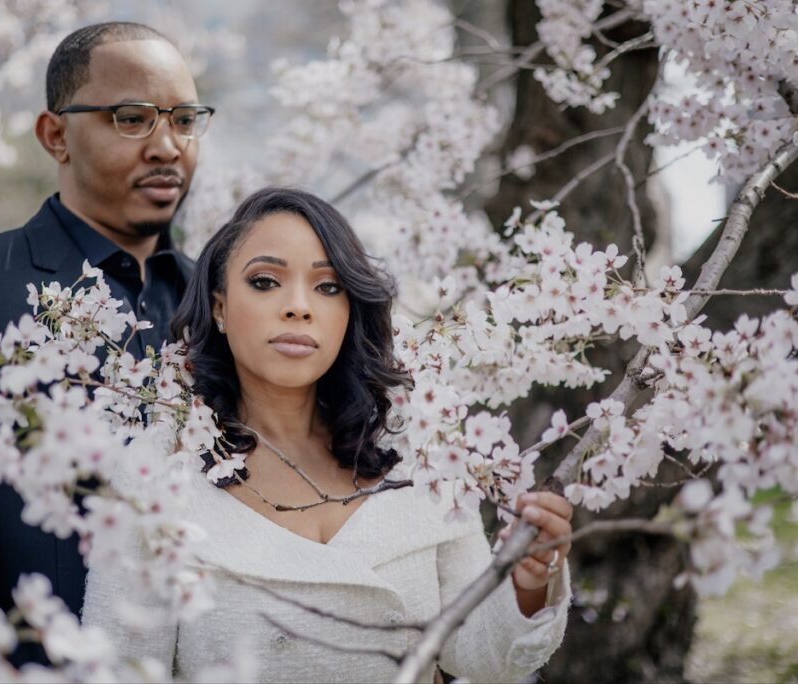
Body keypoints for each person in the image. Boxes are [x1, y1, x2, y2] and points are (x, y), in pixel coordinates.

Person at [83, 187, 573, 682]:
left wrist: (528, 580)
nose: (298, 307)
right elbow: (119, 669)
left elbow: (482, 657)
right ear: (219, 308)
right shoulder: (161, 473)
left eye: (328, 287)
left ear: (349, 311)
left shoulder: (417, 452)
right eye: (266, 281)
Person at [0, 21, 207, 661]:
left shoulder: (221, 306)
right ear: (56, 136)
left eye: (185, 119)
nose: (167, 145)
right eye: (131, 119)